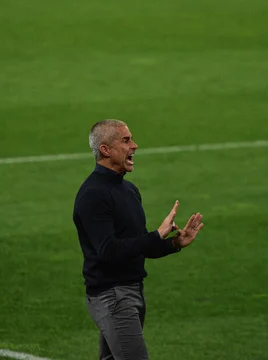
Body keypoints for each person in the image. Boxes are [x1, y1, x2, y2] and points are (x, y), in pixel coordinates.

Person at [73, 119, 205, 360]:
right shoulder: (93, 195)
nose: (134, 145)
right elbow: (108, 250)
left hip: (130, 292)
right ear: (105, 150)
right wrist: (155, 235)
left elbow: (137, 247)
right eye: (126, 140)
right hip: (112, 296)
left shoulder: (129, 190)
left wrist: (173, 243)